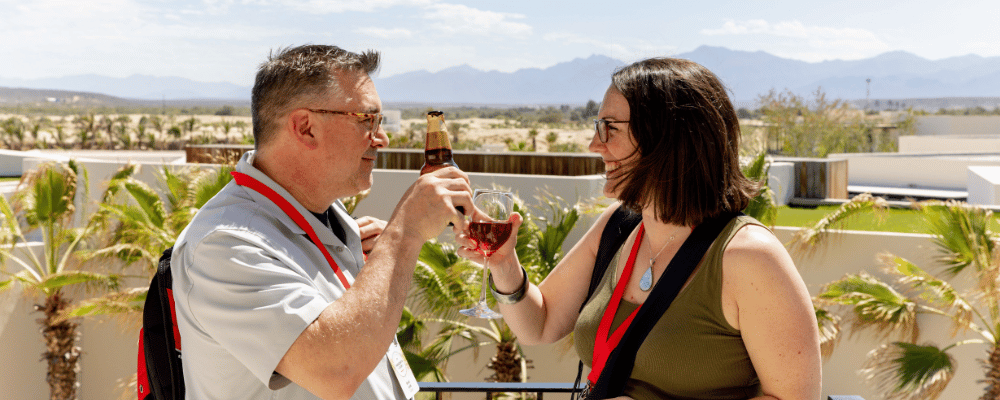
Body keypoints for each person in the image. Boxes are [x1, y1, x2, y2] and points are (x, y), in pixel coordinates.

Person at [457, 57, 821, 400]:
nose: (594, 144)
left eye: (609, 128)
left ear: (667, 140)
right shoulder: (618, 227)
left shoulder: (749, 258)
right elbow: (539, 325)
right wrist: (505, 266)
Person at [171, 45, 473, 400]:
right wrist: (403, 234)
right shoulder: (225, 244)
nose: (382, 138)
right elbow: (336, 370)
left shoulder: (322, 215)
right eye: (367, 120)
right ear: (305, 128)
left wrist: (371, 256)